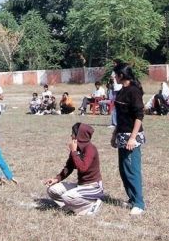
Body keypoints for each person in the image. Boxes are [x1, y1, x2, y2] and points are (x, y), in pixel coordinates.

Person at [43, 123, 103, 216]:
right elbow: (69, 167)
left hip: (93, 186)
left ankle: (93, 203)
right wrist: (56, 179)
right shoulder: (76, 148)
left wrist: (74, 152)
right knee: (52, 190)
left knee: (67, 196)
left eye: (73, 133)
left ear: (79, 135)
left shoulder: (90, 149)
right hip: (81, 185)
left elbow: (83, 168)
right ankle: (71, 207)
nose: (71, 135)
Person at [111, 63, 146, 215]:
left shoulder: (134, 91)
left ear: (122, 75)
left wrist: (132, 138)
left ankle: (139, 203)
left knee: (132, 170)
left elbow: (139, 116)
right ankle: (132, 200)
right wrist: (115, 134)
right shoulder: (122, 90)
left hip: (131, 137)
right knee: (124, 170)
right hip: (122, 135)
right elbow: (121, 117)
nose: (114, 77)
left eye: (115, 74)